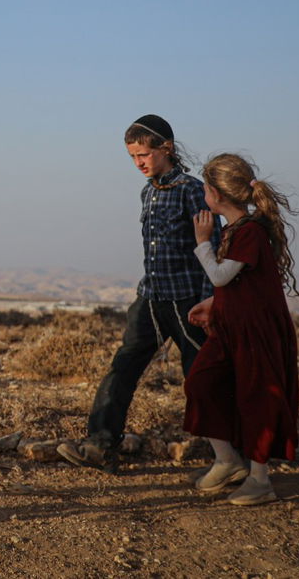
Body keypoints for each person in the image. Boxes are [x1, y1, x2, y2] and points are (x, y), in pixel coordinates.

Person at [59, 114, 217, 471]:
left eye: (143, 154)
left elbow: (212, 245)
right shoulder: (148, 191)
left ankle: (231, 453)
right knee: (123, 367)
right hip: (150, 298)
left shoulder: (192, 191)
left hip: (188, 301)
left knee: (201, 379)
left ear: (167, 149)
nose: (138, 163)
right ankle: (100, 445)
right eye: (132, 157)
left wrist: (211, 299)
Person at [183, 153, 299, 506]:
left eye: (206, 185)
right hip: (232, 328)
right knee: (201, 383)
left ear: (216, 194)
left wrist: (201, 240)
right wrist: (216, 304)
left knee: (257, 398)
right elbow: (237, 283)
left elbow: (220, 274)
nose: (203, 192)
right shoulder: (236, 230)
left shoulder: (249, 231)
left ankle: (260, 480)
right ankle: (228, 461)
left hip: (255, 332)